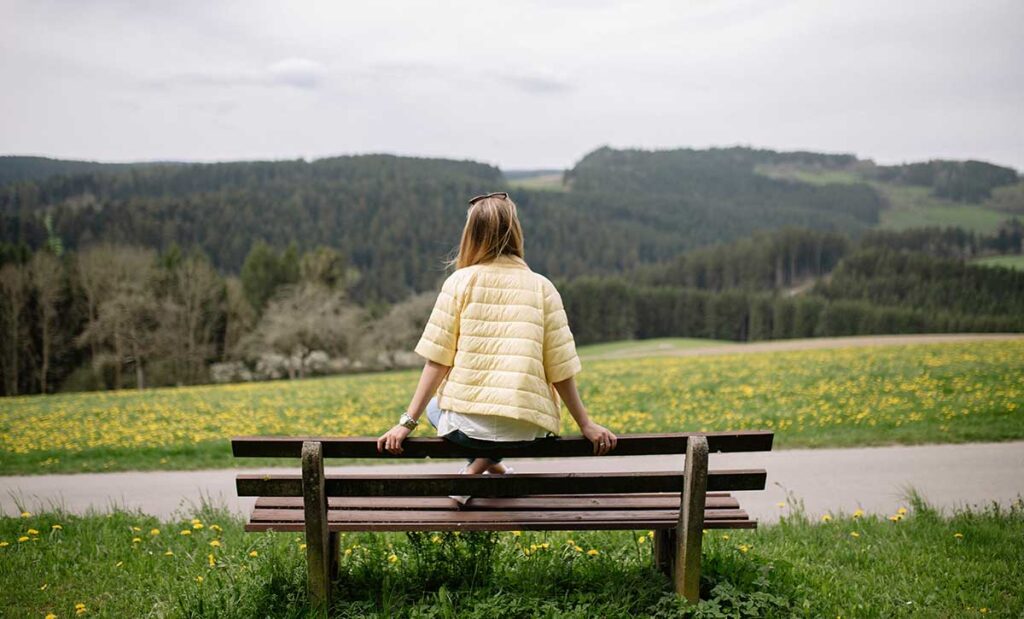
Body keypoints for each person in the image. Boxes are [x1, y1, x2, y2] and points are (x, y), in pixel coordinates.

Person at [376, 191, 617, 476]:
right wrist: (585, 424)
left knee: (434, 408)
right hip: (528, 431)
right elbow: (560, 369)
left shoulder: (459, 282)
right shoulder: (542, 287)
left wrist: (406, 423)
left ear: (471, 235)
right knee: (502, 429)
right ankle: (492, 465)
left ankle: (476, 468)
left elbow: (437, 362)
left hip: (467, 431)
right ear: (515, 232)